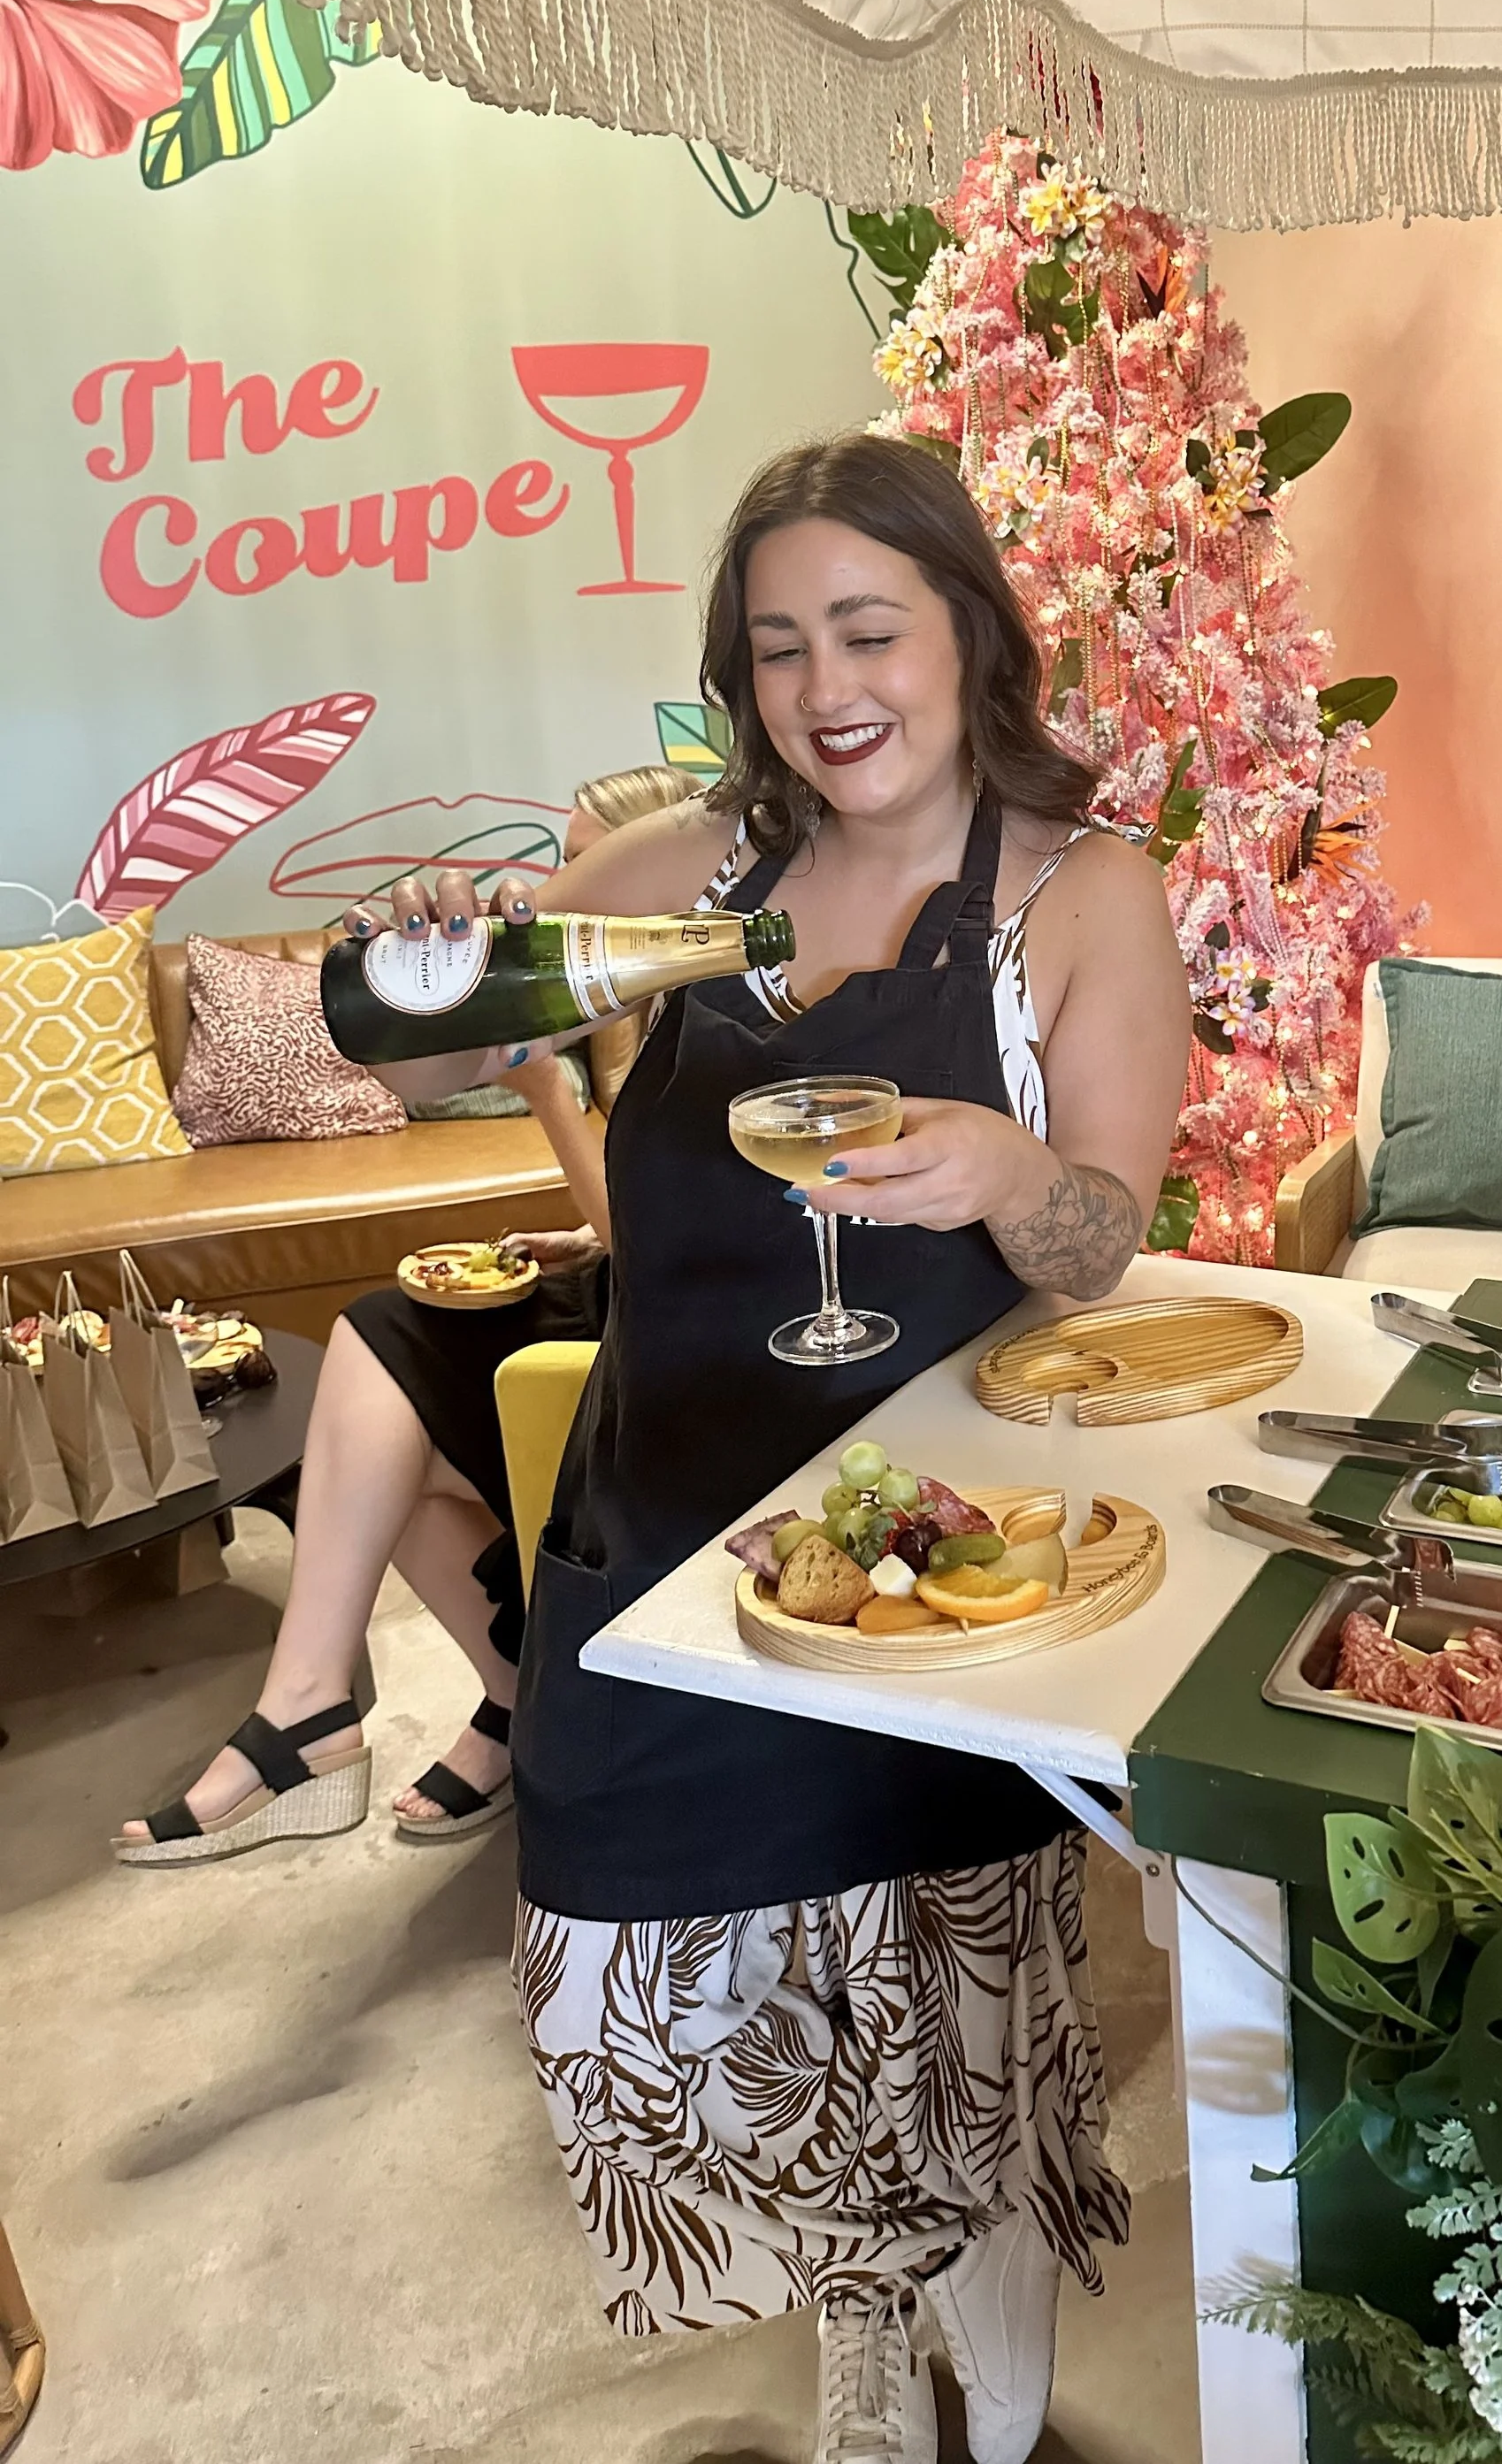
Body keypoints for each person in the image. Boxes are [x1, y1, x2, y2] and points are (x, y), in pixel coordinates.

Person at [347, 437, 1188, 2464]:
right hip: (663, 1555)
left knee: (949, 2067)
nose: (829, 683)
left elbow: (1100, 1256)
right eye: (783, 642)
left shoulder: (1078, 900)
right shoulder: (678, 884)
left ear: (970, 635)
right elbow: (445, 1046)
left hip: (929, 1586)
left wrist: (1007, 1171)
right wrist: (427, 963)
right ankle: (860, 2346)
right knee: (676, 2000)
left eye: (871, 628)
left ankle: (962, 2426)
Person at [113, 762, 695, 1860]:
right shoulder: (613, 986)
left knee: (394, 1378)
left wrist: (549, 1104)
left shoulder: (708, 979)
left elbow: (665, 1236)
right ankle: (357, 1697)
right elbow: (650, 1200)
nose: (568, 884)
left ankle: (369, 1712)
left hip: (681, 1324)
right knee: (384, 1371)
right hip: (639, 1276)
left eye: (589, 859)